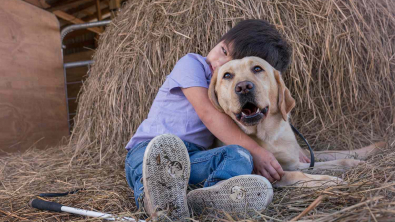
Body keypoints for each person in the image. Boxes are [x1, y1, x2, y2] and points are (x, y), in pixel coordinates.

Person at [125, 19, 308, 220]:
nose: (220, 63)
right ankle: (156, 207)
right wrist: (257, 151)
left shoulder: (229, 90)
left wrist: (289, 144)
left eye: (232, 64)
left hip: (192, 159)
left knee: (239, 156)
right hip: (152, 151)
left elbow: (266, 112)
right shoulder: (192, 64)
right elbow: (208, 114)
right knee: (155, 176)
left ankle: (209, 198)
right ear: (219, 41)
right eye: (223, 51)